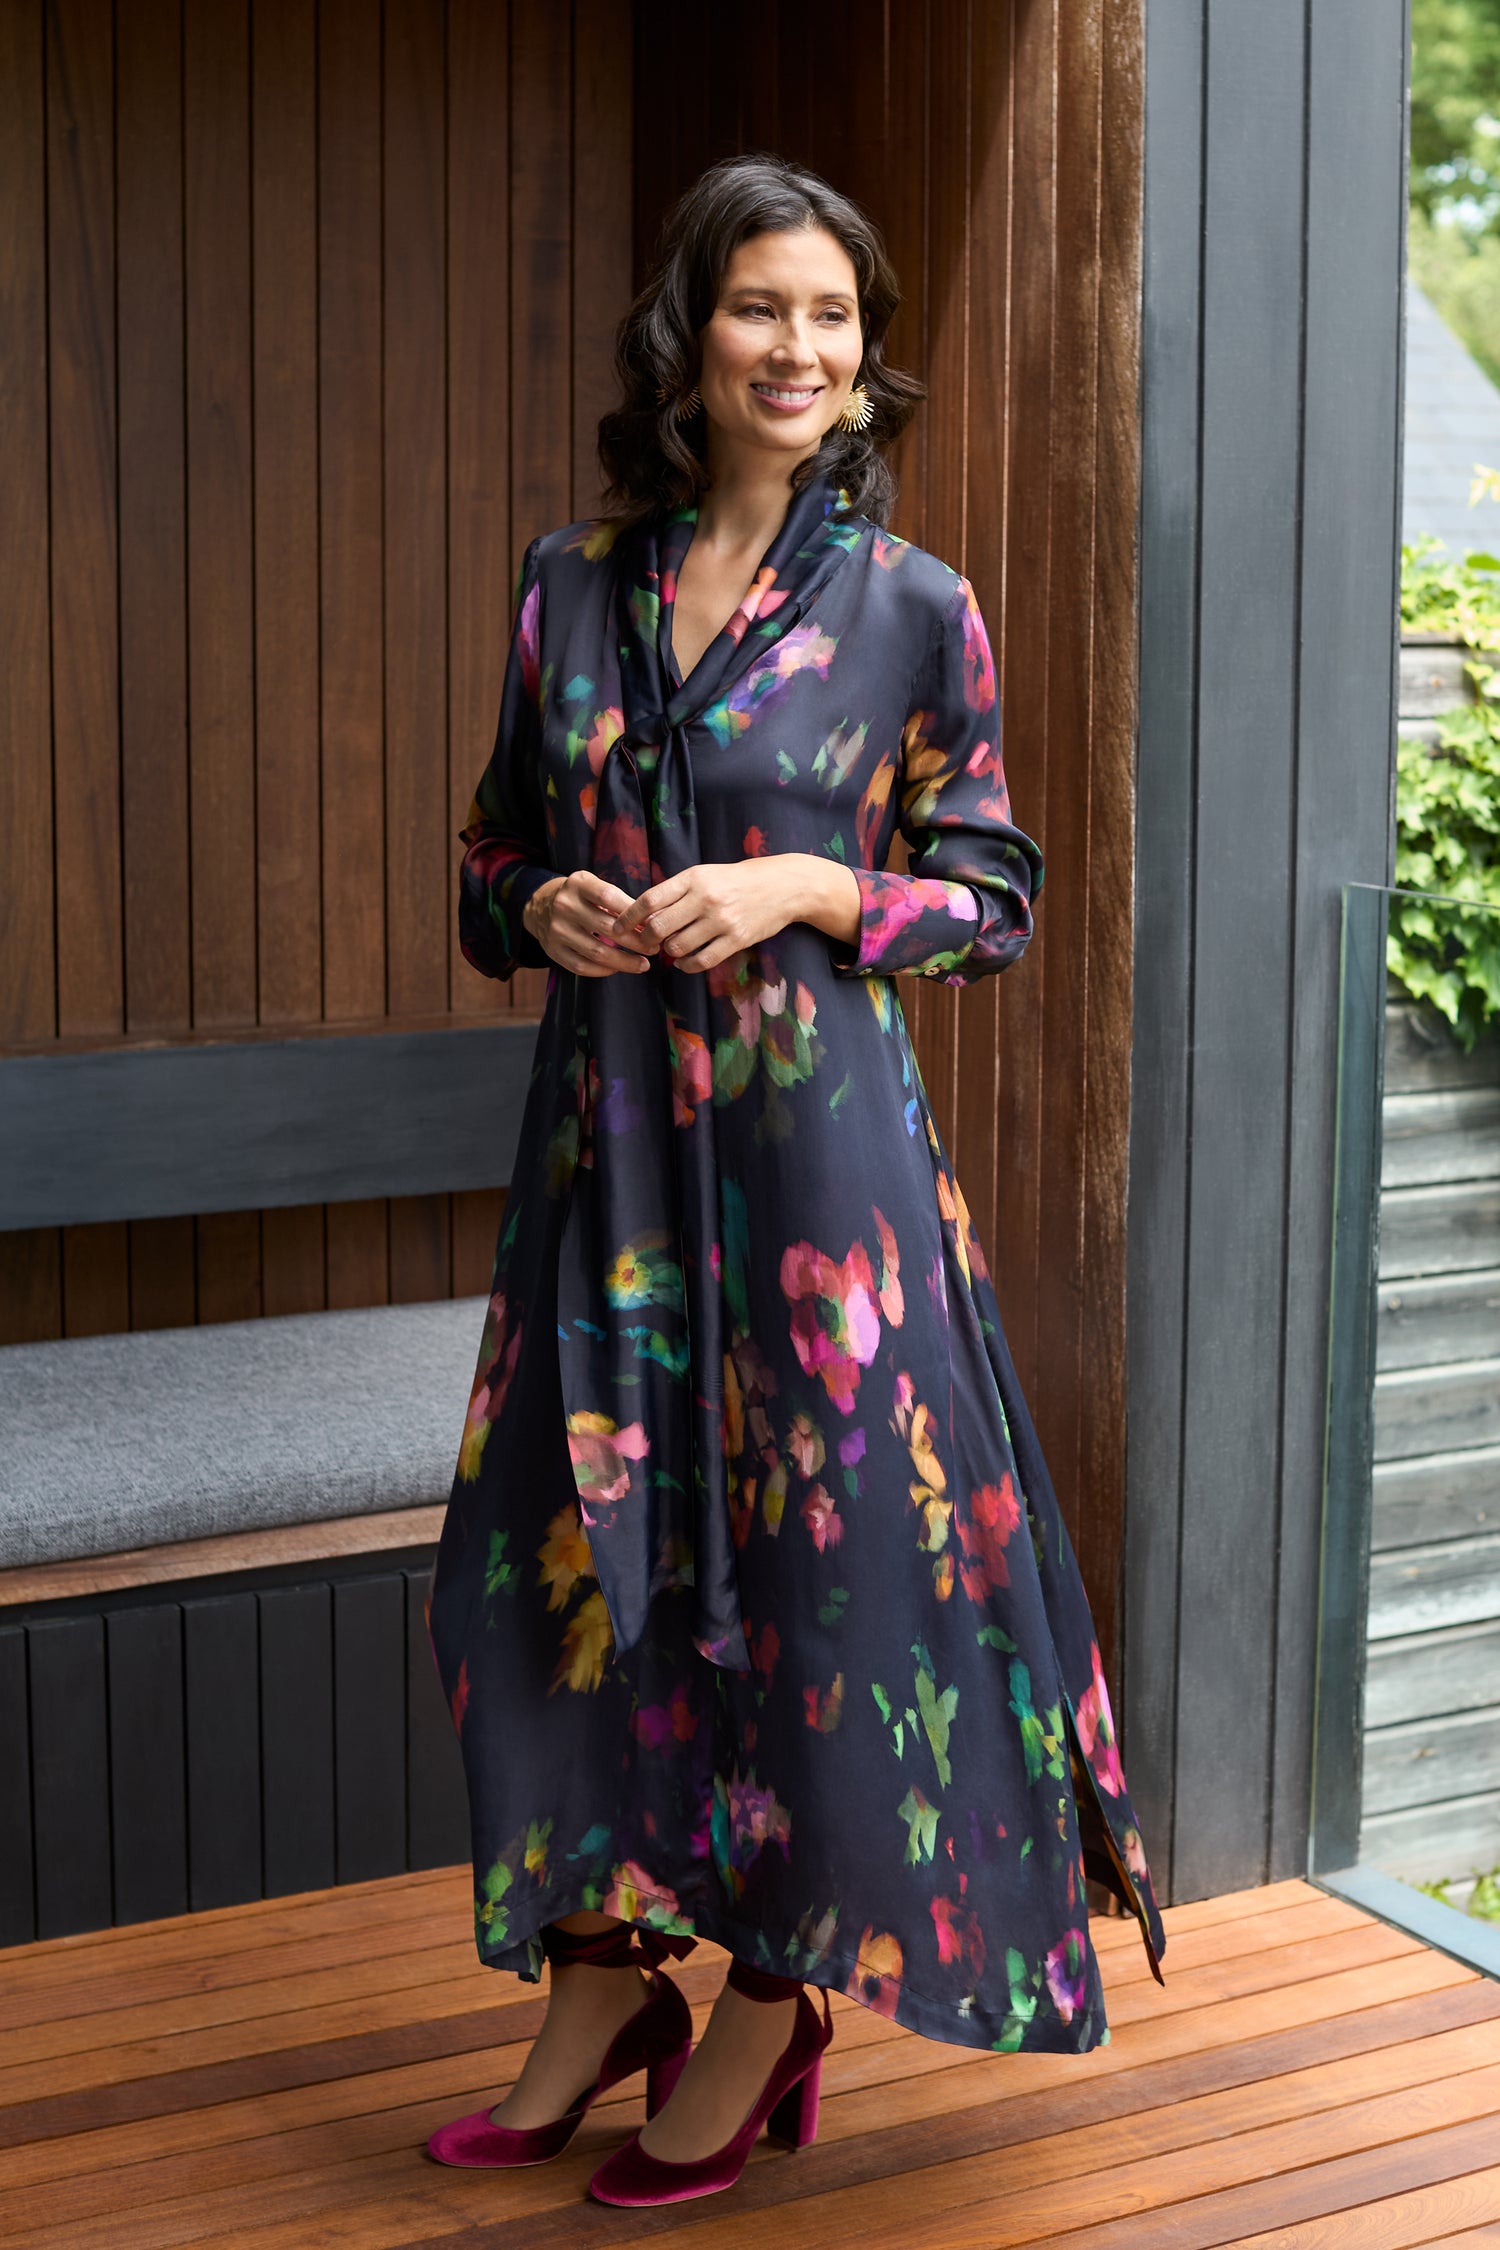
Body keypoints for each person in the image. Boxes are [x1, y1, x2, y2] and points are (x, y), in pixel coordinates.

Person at [424, 150, 1165, 2212]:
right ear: (691, 331)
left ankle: (768, 1998)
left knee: (812, 1590)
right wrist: (550, 906)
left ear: (866, 354)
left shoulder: (915, 610)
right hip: (606, 1165)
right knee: (544, 1574)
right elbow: (487, 861)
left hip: (819, 1181)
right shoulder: (569, 584)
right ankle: (596, 1986)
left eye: (836, 317)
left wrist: (819, 882)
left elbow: (993, 894)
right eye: (764, 306)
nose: (802, 348)